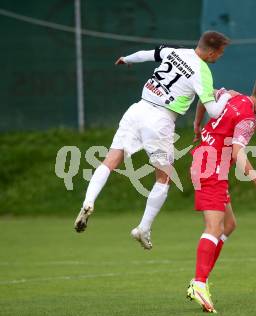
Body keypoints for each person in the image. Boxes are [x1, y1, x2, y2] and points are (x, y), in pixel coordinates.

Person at [74, 31, 233, 252]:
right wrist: (225, 95)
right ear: (213, 51)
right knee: (164, 177)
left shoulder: (175, 52)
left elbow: (145, 54)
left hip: (137, 109)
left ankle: (88, 201)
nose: (220, 57)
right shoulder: (202, 72)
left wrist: (126, 59)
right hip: (160, 120)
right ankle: (143, 228)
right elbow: (214, 112)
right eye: (221, 53)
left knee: (110, 161)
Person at [186, 74, 256, 313]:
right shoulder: (248, 119)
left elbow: (205, 97)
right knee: (213, 228)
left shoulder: (231, 95)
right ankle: (199, 283)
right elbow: (237, 154)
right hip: (210, 168)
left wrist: (197, 124)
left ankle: (201, 280)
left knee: (229, 225)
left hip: (209, 165)